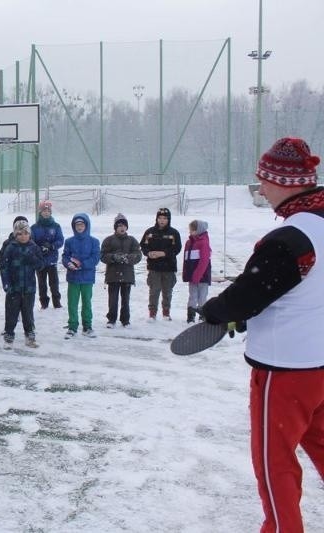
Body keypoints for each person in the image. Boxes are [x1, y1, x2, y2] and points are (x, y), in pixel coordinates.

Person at [201, 137, 324, 533]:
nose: (261, 188)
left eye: (264, 180)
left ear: (286, 182)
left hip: (285, 372)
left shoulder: (290, 239)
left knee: (275, 464)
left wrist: (216, 311)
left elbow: (248, 294)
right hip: (320, 366)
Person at [0, 220, 44, 348]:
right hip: (14, 288)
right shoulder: (11, 247)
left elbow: (41, 265)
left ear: (29, 234)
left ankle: (29, 336)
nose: (23, 236)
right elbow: (4, 266)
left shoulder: (34, 247)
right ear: (15, 235)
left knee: (28, 313)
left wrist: (32, 259)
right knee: (11, 313)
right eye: (19, 234)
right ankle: (9, 336)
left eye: (25, 233)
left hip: (29, 288)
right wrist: (6, 282)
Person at [62, 214, 101, 339]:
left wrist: (82, 264)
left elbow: (95, 258)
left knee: (86, 302)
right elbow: (65, 256)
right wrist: (69, 263)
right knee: (72, 303)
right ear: (74, 226)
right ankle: (72, 326)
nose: (80, 227)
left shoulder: (94, 241)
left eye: (82, 224)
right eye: (77, 225)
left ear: (87, 225)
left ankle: (87, 326)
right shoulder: (69, 241)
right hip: (73, 278)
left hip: (87, 278)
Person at [100, 213, 142, 328]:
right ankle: (111, 319)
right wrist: (113, 257)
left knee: (126, 300)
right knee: (113, 299)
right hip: (113, 275)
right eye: (119, 226)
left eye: (124, 225)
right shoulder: (108, 240)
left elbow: (138, 255)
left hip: (127, 275)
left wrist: (129, 258)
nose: (122, 228)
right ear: (115, 227)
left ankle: (125, 320)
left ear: (127, 227)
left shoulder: (132, 240)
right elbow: (103, 256)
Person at [140, 207, 182, 320]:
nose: (162, 220)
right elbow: (143, 246)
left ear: (168, 219)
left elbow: (177, 248)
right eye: (160, 218)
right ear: (157, 218)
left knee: (167, 291)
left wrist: (163, 253)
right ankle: (152, 313)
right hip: (154, 267)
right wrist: (148, 253)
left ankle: (166, 312)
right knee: (154, 291)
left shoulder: (174, 233)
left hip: (169, 267)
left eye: (165, 218)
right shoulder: (149, 232)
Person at [31, 200, 65, 309]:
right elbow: (31, 242)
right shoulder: (34, 227)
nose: (46, 213)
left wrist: (51, 246)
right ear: (40, 212)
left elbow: (60, 240)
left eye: (48, 211)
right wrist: (39, 249)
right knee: (42, 284)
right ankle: (44, 303)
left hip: (52, 260)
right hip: (40, 260)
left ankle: (57, 302)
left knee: (54, 283)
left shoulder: (56, 226)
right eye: (44, 211)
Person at [182, 219, 212, 323]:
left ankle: (202, 315)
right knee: (192, 295)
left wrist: (197, 275)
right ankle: (191, 316)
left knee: (202, 296)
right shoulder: (189, 242)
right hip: (192, 275)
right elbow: (186, 260)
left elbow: (204, 261)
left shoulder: (204, 243)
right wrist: (186, 273)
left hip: (202, 276)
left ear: (198, 230)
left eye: (192, 230)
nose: (190, 232)